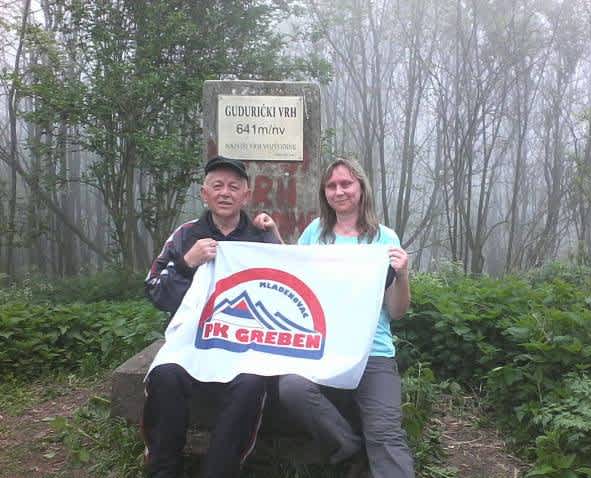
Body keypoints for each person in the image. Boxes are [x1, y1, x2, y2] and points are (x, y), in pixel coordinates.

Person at [254, 158, 414, 478]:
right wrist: (273, 234)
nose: (339, 191)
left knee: (385, 434)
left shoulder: (384, 239)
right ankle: (350, 448)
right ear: (325, 192)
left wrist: (403, 274)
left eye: (346, 184)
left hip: (373, 352)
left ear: (361, 188)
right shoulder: (316, 232)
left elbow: (396, 311)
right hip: (322, 348)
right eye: (332, 186)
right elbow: (294, 277)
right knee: (292, 389)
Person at [143, 156, 279, 478]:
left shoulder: (259, 235)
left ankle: (219, 470)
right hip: (191, 340)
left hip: (245, 345)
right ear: (204, 193)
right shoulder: (185, 235)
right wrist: (187, 263)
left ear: (246, 194)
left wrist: (274, 236)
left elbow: (283, 289)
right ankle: (164, 469)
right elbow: (155, 293)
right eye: (217, 186)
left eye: (234, 187)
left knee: (251, 382)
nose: (225, 193)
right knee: (164, 375)